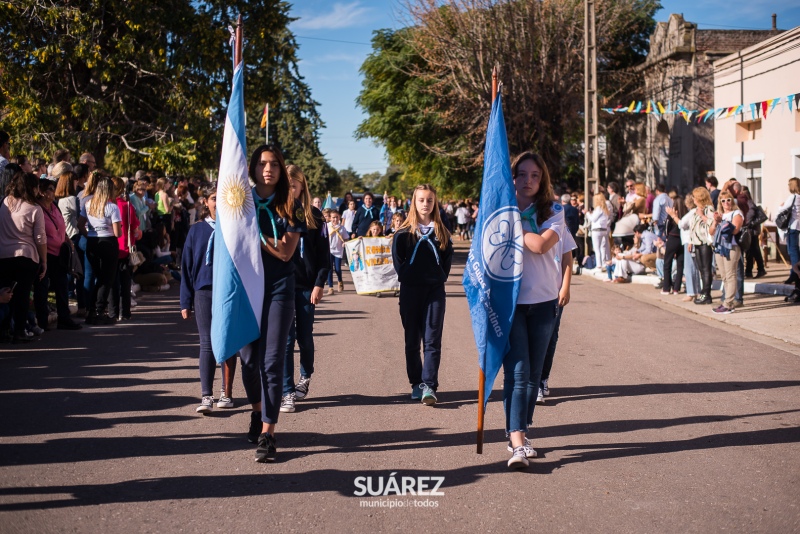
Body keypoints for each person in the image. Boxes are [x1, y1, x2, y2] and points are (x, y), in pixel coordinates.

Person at [238, 144, 306, 463]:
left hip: (279, 287)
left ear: (281, 169)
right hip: (247, 287)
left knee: (272, 360)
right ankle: (256, 411)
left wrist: (252, 239)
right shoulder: (240, 201)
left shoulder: (291, 205)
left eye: (275, 164)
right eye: (263, 164)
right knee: (249, 359)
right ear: (253, 168)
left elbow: (285, 252)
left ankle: (268, 433)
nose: (268, 169)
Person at [502, 152, 564, 469]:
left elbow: (541, 245)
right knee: (518, 372)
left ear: (543, 180)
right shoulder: (499, 211)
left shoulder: (554, 212)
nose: (528, 180)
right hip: (510, 302)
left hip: (543, 303)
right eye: (522, 174)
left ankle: (522, 432)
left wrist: (511, 226)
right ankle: (516, 440)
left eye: (535, 175)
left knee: (533, 376)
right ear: (512, 177)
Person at [391, 184, 453, 407]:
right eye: (421, 200)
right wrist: (409, 275)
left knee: (432, 340)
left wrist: (437, 277)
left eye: (429, 200)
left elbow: (446, 260)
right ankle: (416, 382)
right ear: (413, 203)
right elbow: (398, 262)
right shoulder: (403, 234)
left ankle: (429, 385)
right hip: (410, 291)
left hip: (435, 291)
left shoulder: (442, 231)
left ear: (434, 202)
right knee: (412, 340)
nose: (425, 204)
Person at [180, 186, 237, 413]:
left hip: (228, 291)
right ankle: (206, 395)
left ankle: (227, 392)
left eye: (222, 199)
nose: (217, 203)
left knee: (228, 342)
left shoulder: (234, 228)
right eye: (214, 199)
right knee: (206, 343)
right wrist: (185, 301)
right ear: (205, 202)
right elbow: (186, 266)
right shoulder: (196, 231)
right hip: (203, 291)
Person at [281, 165, 329, 414]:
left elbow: (323, 256)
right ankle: (287, 391)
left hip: (307, 287)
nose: (289, 190)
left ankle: (305, 375)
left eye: (293, 185)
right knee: (286, 340)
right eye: (285, 185)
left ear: (302, 186)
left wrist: (319, 283)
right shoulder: (278, 213)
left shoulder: (315, 216)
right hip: (283, 286)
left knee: (304, 337)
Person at [0, 169, 46, 343]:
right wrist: (44, 260)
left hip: (3, 255)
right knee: (22, 296)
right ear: (31, 188)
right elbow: (40, 238)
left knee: (5, 293)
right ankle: (19, 330)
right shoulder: (34, 208)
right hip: (26, 255)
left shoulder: (4, 203)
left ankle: (4, 329)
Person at [33, 177, 81, 330]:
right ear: (41, 191)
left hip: (59, 253)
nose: (53, 193)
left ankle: (64, 318)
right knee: (42, 288)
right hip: (44, 254)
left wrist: (67, 238)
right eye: (50, 190)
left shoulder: (55, 206)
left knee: (61, 286)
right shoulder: (37, 208)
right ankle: (42, 321)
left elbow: (61, 226)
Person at [78, 177, 122, 324]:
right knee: (106, 279)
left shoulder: (88, 204)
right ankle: (99, 310)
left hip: (92, 241)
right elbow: (117, 233)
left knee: (98, 277)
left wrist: (90, 234)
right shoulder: (112, 207)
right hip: (108, 242)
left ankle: (91, 310)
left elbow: (80, 224)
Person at [108, 177, 140, 322]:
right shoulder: (127, 206)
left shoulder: (106, 205)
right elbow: (136, 230)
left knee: (112, 283)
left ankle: (112, 312)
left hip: (111, 248)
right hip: (126, 248)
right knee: (125, 283)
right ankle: (125, 312)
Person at [709, 190, 744, 314]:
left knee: (730, 275)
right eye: (723, 201)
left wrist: (722, 221)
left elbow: (734, 230)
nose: (726, 203)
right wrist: (716, 221)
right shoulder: (720, 214)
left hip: (731, 247)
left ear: (732, 201)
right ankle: (727, 302)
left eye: (728, 200)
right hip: (719, 247)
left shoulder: (737, 213)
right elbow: (711, 232)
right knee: (724, 276)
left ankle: (728, 303)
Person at [689, 187, 716, 305]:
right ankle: (703, 292)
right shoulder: (696, 209)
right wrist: (690, 241)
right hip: (696, 242)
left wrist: (701, 215)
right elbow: (693, 227)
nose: (693, 199)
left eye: (694, 196)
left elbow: (712, 222)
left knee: (706, 269)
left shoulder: (708, 209)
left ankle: (707, 294)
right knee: (701, 268)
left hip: (705, 242)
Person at [662, 196, 688, 295]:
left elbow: (666, 227)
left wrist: (667, 237)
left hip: (672, 238)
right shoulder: (685, 214)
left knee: (667, 263)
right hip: (682, 239)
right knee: (680, 264)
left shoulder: (672, 215)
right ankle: (676, 288)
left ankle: (666, 288)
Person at [779, 178, 800, 285]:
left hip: (792, 226)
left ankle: (795, 275)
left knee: (793, 251)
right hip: (798, 225)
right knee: (795, 250)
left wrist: (780, 206)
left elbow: (782, 209)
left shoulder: (793, 197)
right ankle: (794, 274)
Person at [585, 192, 611, 267]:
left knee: (597, 248)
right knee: (603, 247)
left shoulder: (599, 208)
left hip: (597, 230)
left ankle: (599, 265)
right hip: (604, 229)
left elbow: (593, 219)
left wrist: (587, 213)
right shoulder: (605, 208)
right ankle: (603, 263)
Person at [327, 210, 347, 294]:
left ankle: (340, 281)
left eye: (336, 217)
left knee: (338, 269)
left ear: (339, 217)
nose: (335, 219)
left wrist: (345, 242)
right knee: (329, 269)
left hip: (338, 251)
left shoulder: (342, 228)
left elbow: (346, 238)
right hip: (329, 250)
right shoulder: (327, 226)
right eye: (333, 217)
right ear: (330, 218)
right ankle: (330, 287)